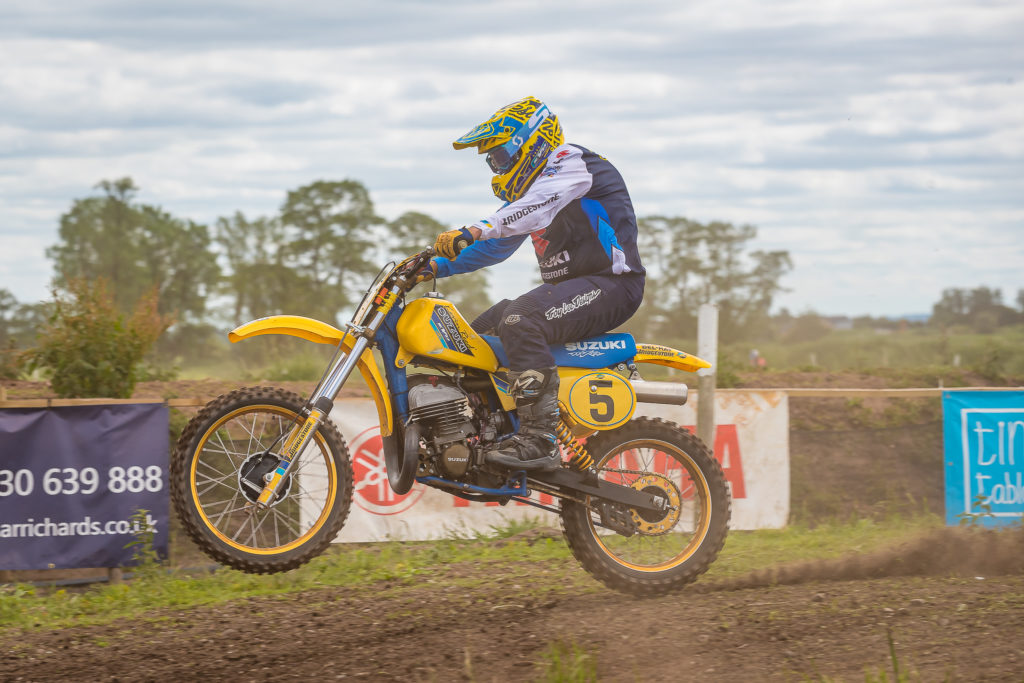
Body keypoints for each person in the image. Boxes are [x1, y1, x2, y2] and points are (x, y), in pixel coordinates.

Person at [421, 96, 646, 471]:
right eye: (492, 161)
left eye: (500, 156)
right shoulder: (533, 192)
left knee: (519, 319)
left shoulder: (573, 163)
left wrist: (475, 228)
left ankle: (540, 441)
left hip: (611, 286)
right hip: (571, 295)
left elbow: (536, 207)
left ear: (532, 143)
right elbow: (496, 247)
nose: (497, 167)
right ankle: (489, 436)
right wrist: (431, 267)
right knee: (474, 337)